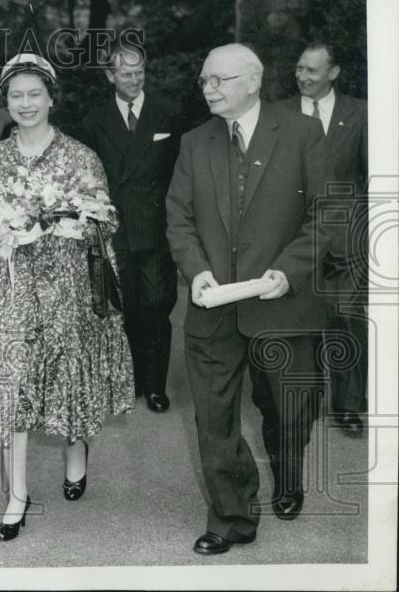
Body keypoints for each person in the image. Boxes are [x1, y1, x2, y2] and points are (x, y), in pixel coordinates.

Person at [0, 53, 135, 542]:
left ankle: (76, 445)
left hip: (67, 284)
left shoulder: (80, 155)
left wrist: (69, 220)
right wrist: (3, 226)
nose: (25, 103)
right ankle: (16, 494)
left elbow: (107, 219)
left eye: (35, 93)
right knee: (13, 381)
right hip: (12, 287)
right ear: (5, 101)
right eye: (16, 95)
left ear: (52, 98)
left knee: (65, 371)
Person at [166, 43, 329, 555]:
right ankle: (231, 516)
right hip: (214, 308)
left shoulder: (302, 134)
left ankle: (287, 472)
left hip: (283, 302)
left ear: (253, 81)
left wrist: (291, 270)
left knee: (288, 409)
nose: (209, 89)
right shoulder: (195, 143)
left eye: (220, 80)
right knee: (213, 418)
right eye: (205, 82)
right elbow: (179, 218)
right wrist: (196, 272)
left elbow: (327, 214)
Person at [76, 45, 186, 413]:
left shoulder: (167, 113)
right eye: (126, 74)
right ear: (110, 76)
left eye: (139, 72)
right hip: (113, 230)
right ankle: (124, 382)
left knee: (156, 306)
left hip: (155, 228)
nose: (134, 79)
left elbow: (178, 173)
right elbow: (86, 178)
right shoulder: (94, 120)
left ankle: (154, 385)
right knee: (120, 308)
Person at [273, 41, 368, 435]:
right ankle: (307, 401)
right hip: (297, 238)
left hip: (347, 239)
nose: (303, 77)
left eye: (312, 70)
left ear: (334, 73)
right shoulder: (277, 114)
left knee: (347, 320)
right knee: (303, 323)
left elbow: (370, 177)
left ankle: (348, 405)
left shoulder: (361, 114)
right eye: (299, 69)